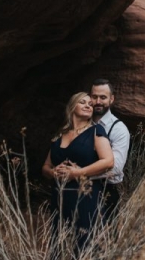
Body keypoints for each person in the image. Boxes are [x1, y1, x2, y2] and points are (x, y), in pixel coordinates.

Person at [42, 91, 114, 251]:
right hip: (60, 197)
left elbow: (108, 161)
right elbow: (45, 167)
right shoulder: (60, 135)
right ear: (72, 106)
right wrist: (53, 173)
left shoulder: (96, 132)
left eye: (90, 104)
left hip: (85, 196)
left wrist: (77, 173)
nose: (88, 105)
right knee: (59, 243)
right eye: (83, 102)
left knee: (84, 245)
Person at [90, 78, 130, 218]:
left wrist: (79, 174)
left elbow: (116, 168)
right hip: (78, 189)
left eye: (103, 97)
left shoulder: (118, 129)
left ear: (111, 99)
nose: (98, 101)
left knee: (103, 236)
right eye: (94, 97)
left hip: (106, 191)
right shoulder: (81, 122)